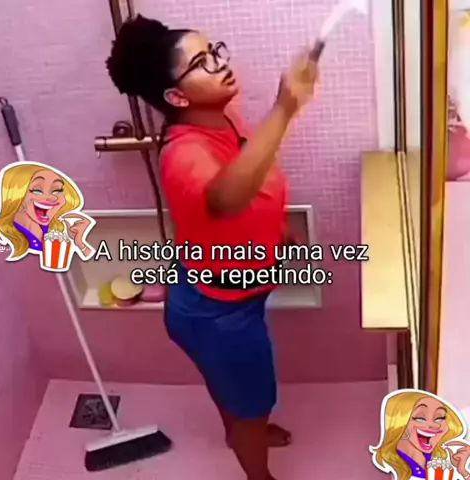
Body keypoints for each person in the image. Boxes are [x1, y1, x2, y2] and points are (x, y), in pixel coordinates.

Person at [107, 15, 318, 480]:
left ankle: (242, 427)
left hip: (224, 293)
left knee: (237, 392)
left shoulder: (222, 121)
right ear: (177, 97)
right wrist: (284, 109)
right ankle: (255, 461)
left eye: (215, 52)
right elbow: (226, 198)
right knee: (251, 400)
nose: (220, 64)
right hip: (217, 313)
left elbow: (250, 174)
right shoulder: (183, 155)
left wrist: (277, 227)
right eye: (202, 62)